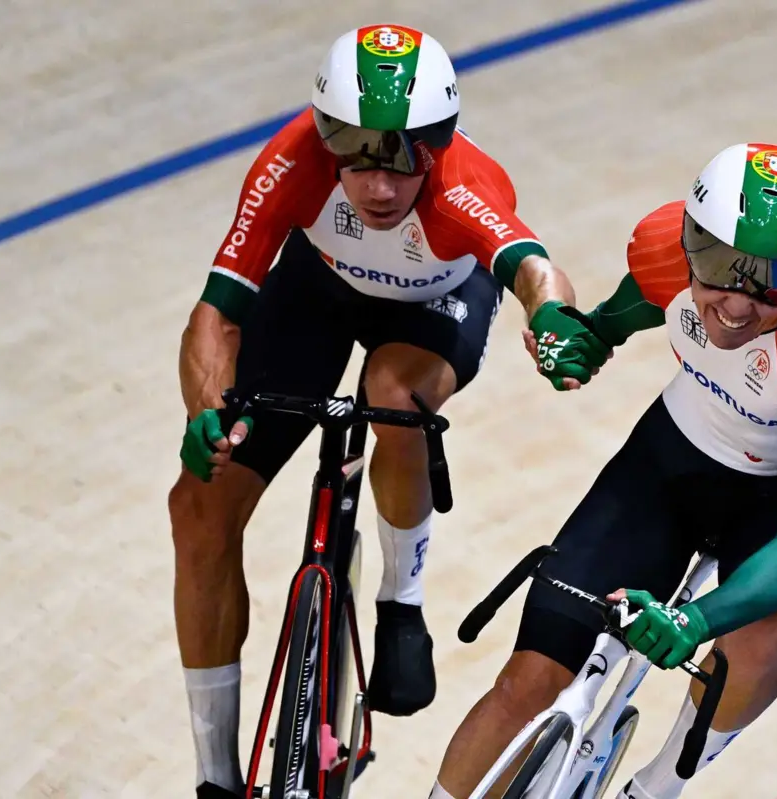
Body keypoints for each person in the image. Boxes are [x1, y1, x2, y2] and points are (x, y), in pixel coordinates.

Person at [169, 24, 609, 799]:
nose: (377, 186)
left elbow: (536, 272)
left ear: (436, 147)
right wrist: (204, 413)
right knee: (199, 505)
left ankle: (400, 603)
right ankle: (215, 775)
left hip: (434, 305)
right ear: (326, 138)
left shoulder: (463, 186)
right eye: (357, 155)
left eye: (401, 159)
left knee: (393, 394)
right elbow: (217, 312)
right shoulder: (291, 162)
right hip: (319, 289)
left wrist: (552, 321)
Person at [429, 142, 777, 799]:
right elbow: (614, 321)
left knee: (762, 638)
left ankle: (658, 787)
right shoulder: (661, 247)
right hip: (673, 459)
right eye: (720, 272)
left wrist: (696, 623)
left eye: (770, 285)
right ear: (689, 244)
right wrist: (580, 342)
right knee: (526, 683)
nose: (736, 306)